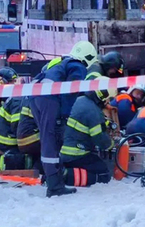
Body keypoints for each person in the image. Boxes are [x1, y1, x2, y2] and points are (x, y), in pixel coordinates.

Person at [30, 40, 97, 197]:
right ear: (87, 58)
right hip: (49, 99)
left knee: (47, 138)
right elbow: (70, 92)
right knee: (52, 140)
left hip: (35, 97)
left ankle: (51, 177)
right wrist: (63, 116)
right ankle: (54, 185)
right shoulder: (78, 66)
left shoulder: (59, 62)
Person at [60, 77, 116, 187]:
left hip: (66, 151)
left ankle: (65, 170)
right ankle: (65, 176)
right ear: (102, 96)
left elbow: (86, 123)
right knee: (104, 174)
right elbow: (99, 139)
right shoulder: (94, 111)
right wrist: (112, 144)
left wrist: (105, 123)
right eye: (108, 99)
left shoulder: (81, 100)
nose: (108, 102)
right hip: (77, 154)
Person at [0, 68, 21, 153]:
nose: (15, 85)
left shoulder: (11, 100)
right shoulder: (13, 101)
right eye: (12, 82)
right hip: (7, 144)